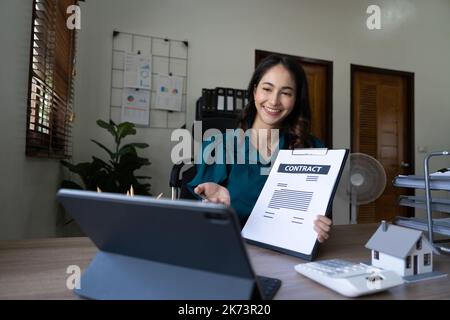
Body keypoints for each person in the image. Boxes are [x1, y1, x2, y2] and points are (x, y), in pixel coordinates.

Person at [187, 54, 331, 243]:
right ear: (255, 91)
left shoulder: (313, 149)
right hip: (233, 250)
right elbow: (199, 221)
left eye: (286, 93)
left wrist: (319, 226)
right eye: (267, 89)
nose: (274, 101)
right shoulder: (219, 146)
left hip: (289, 253)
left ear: (296, 99)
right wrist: (211, 204)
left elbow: (317, 211)